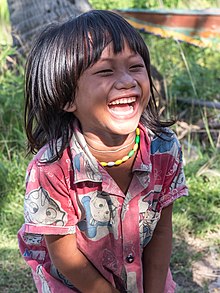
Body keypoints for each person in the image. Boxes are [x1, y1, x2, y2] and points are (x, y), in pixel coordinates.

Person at [18, 9, 188, 293]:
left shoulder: (164, 147)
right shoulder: (51, 167)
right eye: (106, 71)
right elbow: (65, 255)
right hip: (76, 284)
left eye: (135, 67)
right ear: (66, 96)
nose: (127, 81)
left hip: (142, 274)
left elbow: (161, 231)